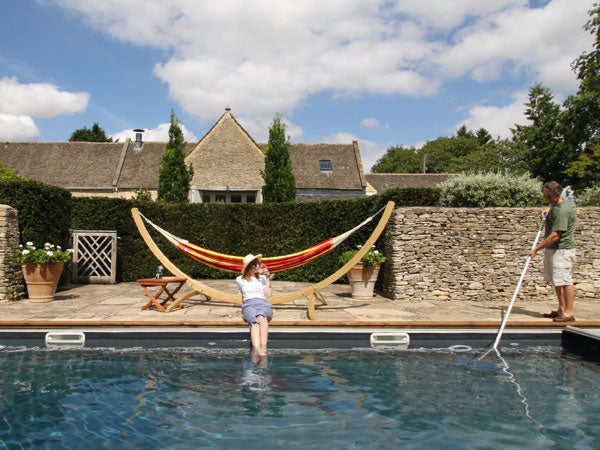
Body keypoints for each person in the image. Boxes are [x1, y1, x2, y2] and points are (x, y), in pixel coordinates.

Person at [528, 181, 577, 322]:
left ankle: (568, 314)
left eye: (548, 197)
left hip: (562, 250)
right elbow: (556, 207)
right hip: (554, 250)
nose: (546, 199)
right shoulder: (556, 206)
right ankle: (561, 309)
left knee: (565, 280)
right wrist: (549, 209)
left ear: (555, 195)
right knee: (557, 281)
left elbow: (555, 235)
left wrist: (536, 249)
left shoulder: (562, 211)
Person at [236, 254, 273, 355]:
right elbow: (243, 296)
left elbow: (268, 295)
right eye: (255, 265)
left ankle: (264, 350)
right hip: (249, 305)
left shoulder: (262, 278)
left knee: (262, 318)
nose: (258, 266)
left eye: (258, 264)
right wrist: (243, 309)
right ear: (249, 267)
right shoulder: (240, 279)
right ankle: (257, 350)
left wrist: (268, 278)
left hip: (262, 303)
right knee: (255, 323)